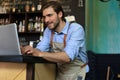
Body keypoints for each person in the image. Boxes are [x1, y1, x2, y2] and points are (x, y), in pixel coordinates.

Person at [21, 1, 88, 80]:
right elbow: (40, 49)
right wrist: (29, 50)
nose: (46, 20)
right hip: (61, 74)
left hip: (78, 74)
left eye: (49, 15)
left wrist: (39, 53)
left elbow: (67, 57)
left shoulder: (76, 29)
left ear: (60, 14)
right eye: (44, 17)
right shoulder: (48, 31)